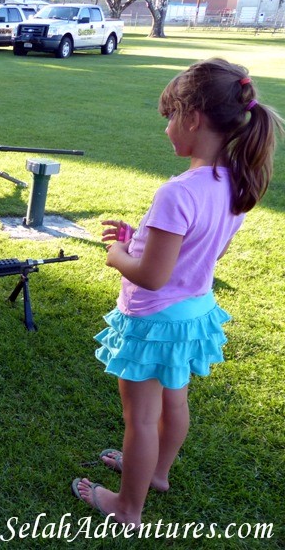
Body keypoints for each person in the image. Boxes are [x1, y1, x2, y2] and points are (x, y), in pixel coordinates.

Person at [72, 58, 284, 527]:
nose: (167, 126)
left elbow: (150, 276)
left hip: (155, 321)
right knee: (176, 402)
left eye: (171, 116)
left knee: (141, 419)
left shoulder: (178, 192)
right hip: (193, 314)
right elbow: (201, 254)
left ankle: (127, 507)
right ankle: (159, 474)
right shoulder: (237, 183)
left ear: (193, 117)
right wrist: (141, 238)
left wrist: (118, 253)